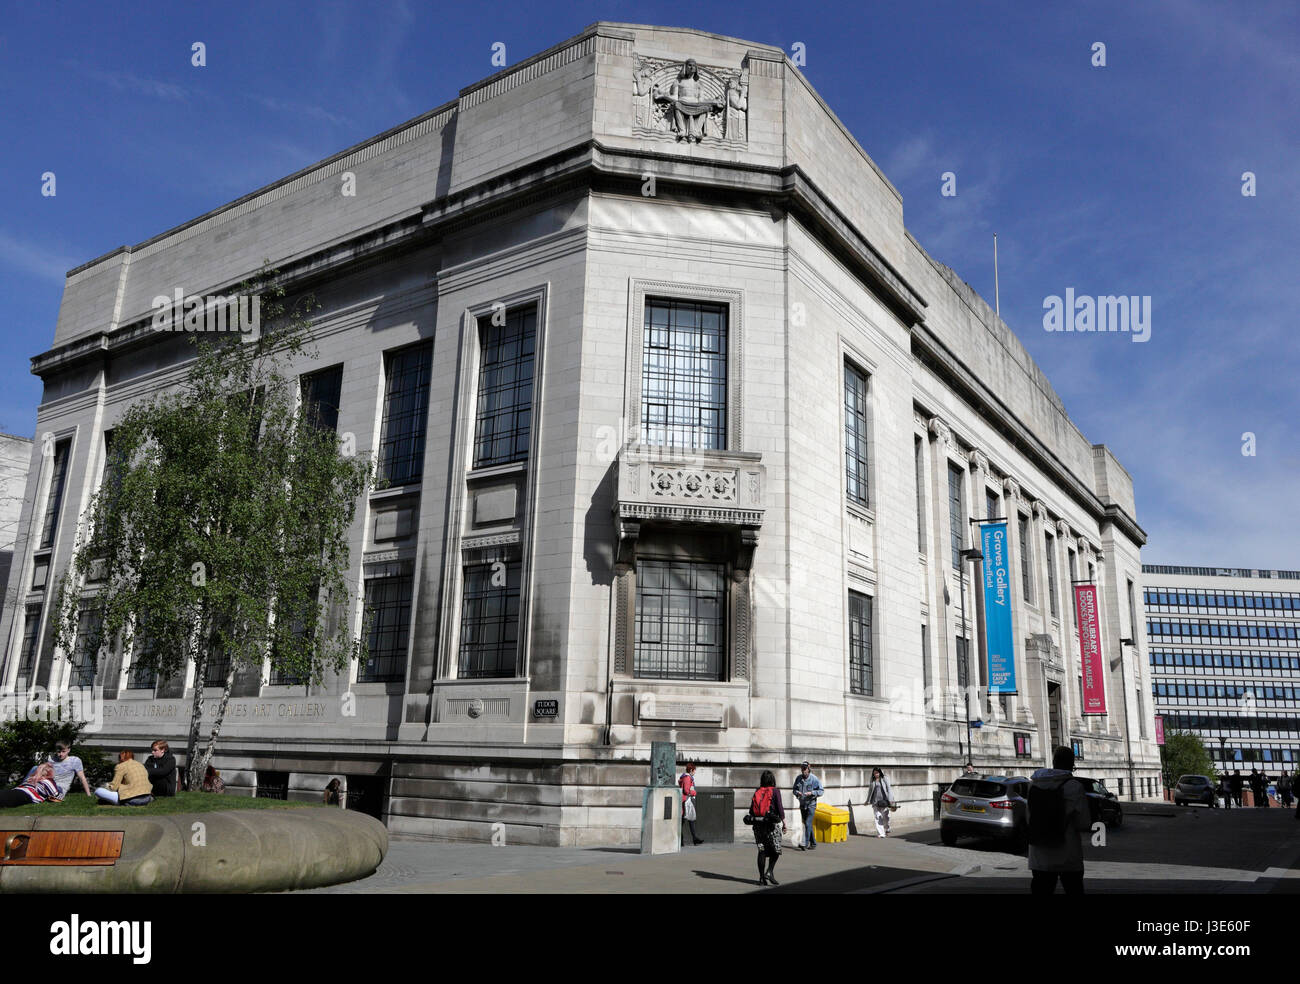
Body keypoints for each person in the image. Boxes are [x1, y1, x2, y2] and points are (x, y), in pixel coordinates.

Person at [1026, 746, 1091, 895]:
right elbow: (1084, 823)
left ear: (1054, 761)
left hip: (1039, 853)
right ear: (1071, 765)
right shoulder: (1074, 787)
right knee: (1073, 889)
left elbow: (1029, 818)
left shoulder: (1033, 784)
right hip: (1068, 854)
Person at [747, 770, 786, 886]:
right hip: (771, 825)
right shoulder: (775, 791)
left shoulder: (757, 791)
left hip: (758, 825)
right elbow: (780, 807)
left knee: (762, 851)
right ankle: (769, 871)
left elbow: (751, 810)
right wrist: (784, 822)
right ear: (773, 780)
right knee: (776, 850)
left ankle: (761, 878)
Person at [27, 742, 93, 799]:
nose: (61, 754)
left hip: (59, 788)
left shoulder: (74, 760)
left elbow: (82, 778)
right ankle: (24, 788)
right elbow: (35, 756)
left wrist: (89, 795)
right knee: (35, 768)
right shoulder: (50, 757)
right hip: (46, 783)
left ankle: (34, 792)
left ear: (69, 750)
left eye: (63, 751)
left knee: (42, 787)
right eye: (58, 752)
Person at [792, 761, 824, 851]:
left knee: (807, 823)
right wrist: (797, 793)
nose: (803, 770)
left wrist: (812, 793)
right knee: (807, 825)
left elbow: (821, 791)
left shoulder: (814, 779)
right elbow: (794, 789)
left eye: (805, 768)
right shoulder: (798, 778)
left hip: (811, 805)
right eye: (802, 768)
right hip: (802, 805)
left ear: (808, 769)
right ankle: (813, 843)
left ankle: (805, 843)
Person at [867, 767, 896, 837]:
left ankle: (887, 828)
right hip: (875, 801)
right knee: (877, 817)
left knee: (885, 817)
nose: (876, 774)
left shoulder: (884, 778)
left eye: (877, 773)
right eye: (874, 773)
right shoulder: (872, 780)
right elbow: (870, 791)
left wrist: (891, 800)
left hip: (884, 801)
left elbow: (889, 789)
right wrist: (867, 800)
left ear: (880, 772)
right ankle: (881, 833)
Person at [679, 762, 703, 845]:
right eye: (694, 770)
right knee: (685, 820)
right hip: (686, 801)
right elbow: (686, 790)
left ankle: (693, 839)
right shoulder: (687, 778)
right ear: (691, 770)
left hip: (685, 801)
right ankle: (684, 840)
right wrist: (694, 793)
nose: (695, 772)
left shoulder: (687, 777)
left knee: (689, 820)